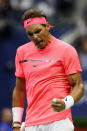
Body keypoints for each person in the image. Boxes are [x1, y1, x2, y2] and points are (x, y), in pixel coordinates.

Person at [12, 9, 84, 131]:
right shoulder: (21, 52)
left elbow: (79, 86)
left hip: (59, 122)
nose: (35, 37)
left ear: (47, 26)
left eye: (38, 31)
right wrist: (16, 123)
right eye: (30, 34)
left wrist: (65, 103)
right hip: (32, 123)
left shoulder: (67, 50)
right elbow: (19, 89)